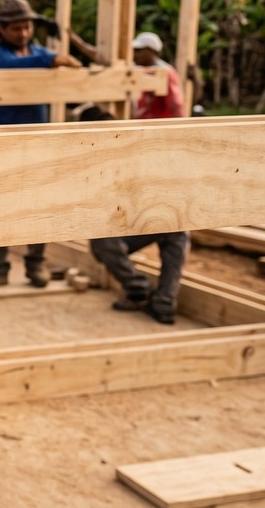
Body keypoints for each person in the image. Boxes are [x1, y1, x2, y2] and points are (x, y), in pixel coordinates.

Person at [88, 31, 188, 324]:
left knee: (173, 229)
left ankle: (145, 293)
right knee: (176, 229)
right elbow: (106, 61)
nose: (133, 54)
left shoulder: (164, 74)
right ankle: (163, 301)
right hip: (150, 156)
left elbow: (178, 113)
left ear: (150, 50)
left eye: (137, 50)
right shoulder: (140, 74)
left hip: (159, 152)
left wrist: (169, 142)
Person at [0, 0, 81, 288]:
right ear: (2, 29)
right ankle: (0, 266)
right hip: (4, 141)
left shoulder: (40, 52)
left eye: (27, 27)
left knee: (40, 206)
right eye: (16, 28)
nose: (23, 33)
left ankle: (35, 265)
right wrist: (51, 59)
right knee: (0, 208)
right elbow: (5, 66)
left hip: (38, 141)